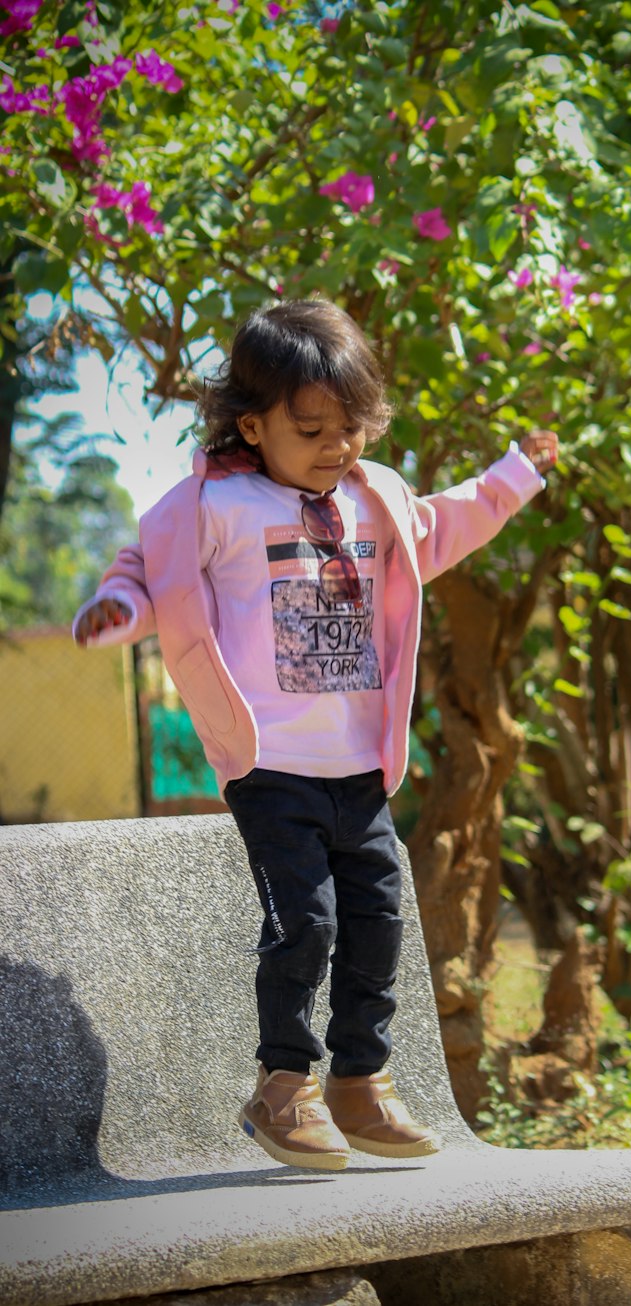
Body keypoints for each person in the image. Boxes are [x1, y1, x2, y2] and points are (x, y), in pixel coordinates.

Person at [73, 297, 558, 1172]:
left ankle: (360, 1083)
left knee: (377, 924)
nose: (337, 447)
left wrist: (514, 476)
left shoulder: (374, 498)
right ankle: (284, 1085)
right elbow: (147, 570)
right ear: (253, 425)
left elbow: (445, 525)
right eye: (311, 429)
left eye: (352, 427)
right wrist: (117, 610)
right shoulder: (215, 506)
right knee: (306, 924)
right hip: (272, 767)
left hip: (358, 769)